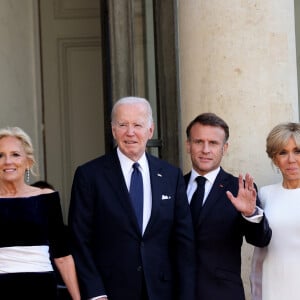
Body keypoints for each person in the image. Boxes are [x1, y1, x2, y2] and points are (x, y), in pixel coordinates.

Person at [68, 96, 196, 300]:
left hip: (162, 292)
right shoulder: (89, 175)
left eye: (137, 125)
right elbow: (79, 240)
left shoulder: (171, 176)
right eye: (122, 125)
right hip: (109, 293)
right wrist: (95, 293)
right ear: (113, 130)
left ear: (150, 130)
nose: (130, 132)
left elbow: (183, 243)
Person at [184, 112, 272, 300]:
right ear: (188, 145)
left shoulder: (238, 189)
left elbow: (260, 240)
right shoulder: (173, 185)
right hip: (176, 291)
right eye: (199, 141)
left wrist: (250, 213)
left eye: (213, 143)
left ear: (225, 148)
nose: (205, 149)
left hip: (222, 294)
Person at [0, 126, 80, 300]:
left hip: (42, 290)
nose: (7, 161)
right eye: (1, 155)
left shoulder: (46, 198)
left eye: (15, 154)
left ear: (28, 161)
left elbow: (63, 257)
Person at [250, 122, 300, 300]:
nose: (291, 160)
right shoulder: (265, 194)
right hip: (272, 287)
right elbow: (259, 253)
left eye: (297, 151)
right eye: (283, 152)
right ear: (274, 158)